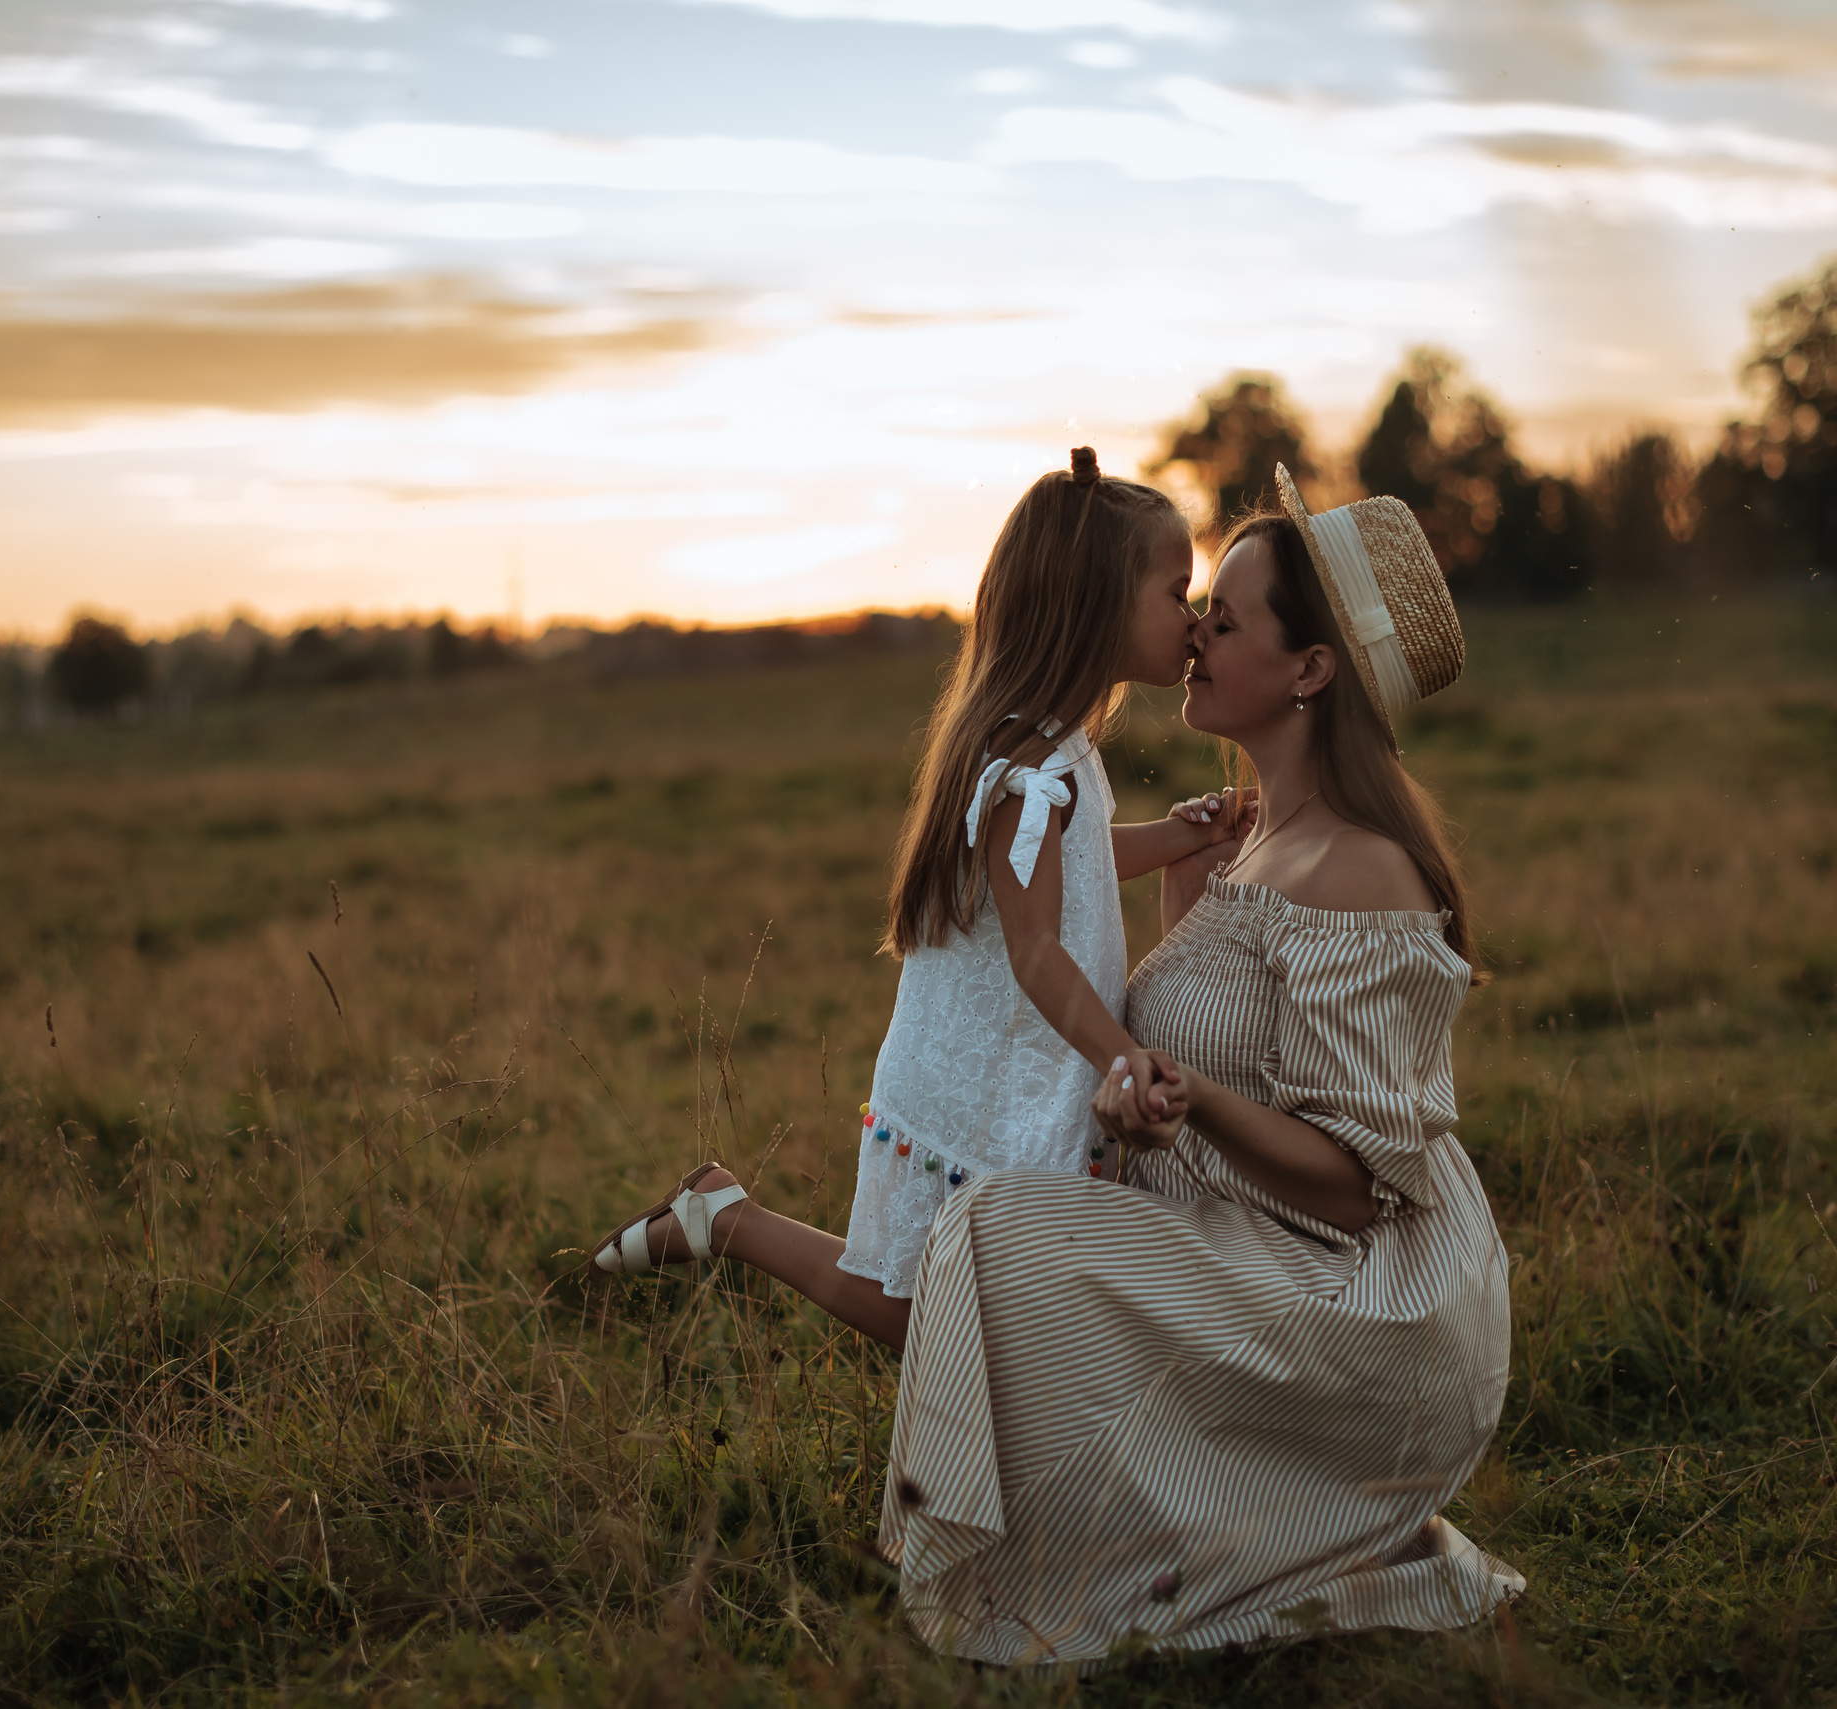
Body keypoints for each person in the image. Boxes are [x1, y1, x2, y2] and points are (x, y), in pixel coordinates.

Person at [588, 466, 1520, 1668]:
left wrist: (1180, 1097)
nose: (1194, 632)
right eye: (1189, 601)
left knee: (995, 1238)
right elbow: (1166, 1006)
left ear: (1311, 670)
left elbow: (1352, 1185)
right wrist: (1185, 886)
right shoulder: (1252, 835)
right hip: (1241, 1229)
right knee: (995, 1234)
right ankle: (1043, 1529)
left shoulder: (1361, 872)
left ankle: (1004, 1538)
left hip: (1353, 1300)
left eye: (1222, 618)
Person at [590, 447, 1245, 1347]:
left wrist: (1186, 835)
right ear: (1097, 605)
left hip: (1018, 1068)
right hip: (986, 1081)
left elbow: (1075, 865)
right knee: (922, 1317)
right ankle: (728, 1218)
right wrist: (1121, 1054)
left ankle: (724, 1216)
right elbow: (1037, 949)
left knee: (961, 1317)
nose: (1195, 618)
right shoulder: (1030, 769)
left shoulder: (1060, 756)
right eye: (1177, 592)